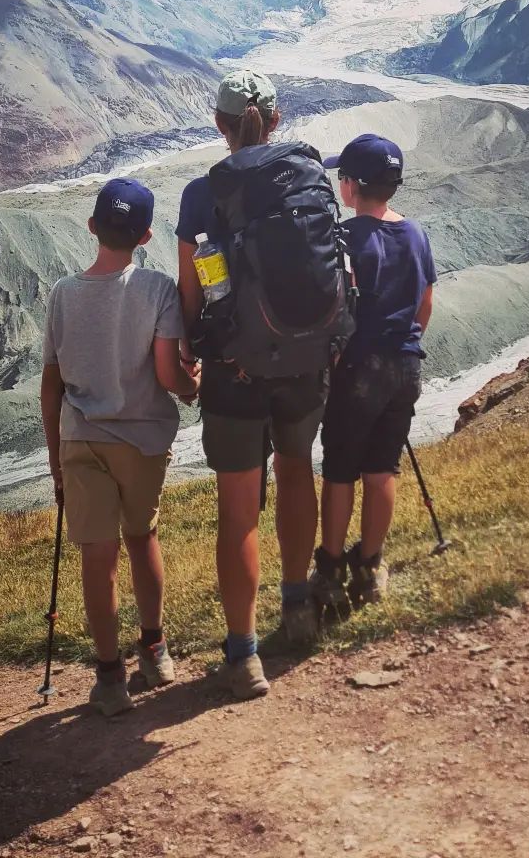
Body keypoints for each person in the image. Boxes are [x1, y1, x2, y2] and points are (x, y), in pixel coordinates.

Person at [175, 70, 327, 700]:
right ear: (277, 119)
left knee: (238, 509)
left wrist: (193, 348)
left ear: (220, 125)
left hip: (235, 370)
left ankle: (243, 656)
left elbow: (190, 287)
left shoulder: (200, 193)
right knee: (296, 472)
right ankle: (299, 610)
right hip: (304, 357)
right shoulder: (308, 177)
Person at [40, 177, 200, 717]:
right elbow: (165, 371)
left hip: (81, 437)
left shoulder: (63, 294)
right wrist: (192, 387)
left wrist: (54, 456)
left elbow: (51, 383)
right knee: (142, 537)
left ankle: (109, 678)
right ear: (147, 235)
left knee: (96, 556)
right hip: (144, 438)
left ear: (91, 227)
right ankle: (154, 650)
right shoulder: (156, 290)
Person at [312, 133, 436, 611]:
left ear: (350, 187)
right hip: (404, 366)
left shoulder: (344, 238)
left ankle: (330, 566)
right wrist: (406, 341)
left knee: (341, 469)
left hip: (357, 368)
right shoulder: (416, 234)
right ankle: (371, 564)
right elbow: (425, 304)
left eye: (341, 177)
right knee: (383, 465)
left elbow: (332, 308)